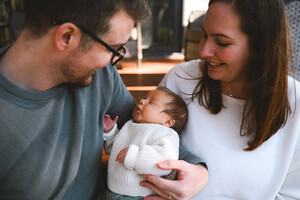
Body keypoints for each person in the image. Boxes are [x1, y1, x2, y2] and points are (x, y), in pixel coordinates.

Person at [0, 0, 208, 199]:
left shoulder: (100, 75)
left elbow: (147, 128)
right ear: (66, 37)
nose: (113, 62)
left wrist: (197, 172)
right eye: (113, 49)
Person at [157, 0, 300, 199]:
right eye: (204, 35)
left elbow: (292, 194)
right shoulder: (180, 80)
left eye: (222, 42)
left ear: (261, 46)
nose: (203, 51)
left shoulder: (295, 102)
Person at [100, 87, 188, 199]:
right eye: (144, 98)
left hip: (137, 196)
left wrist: (135, 156)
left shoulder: (166, 134)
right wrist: (111, 132)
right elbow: (116, 151)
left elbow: (164, 162)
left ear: (168, 121)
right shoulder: (130, 125)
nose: (142, 101)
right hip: (110, 192)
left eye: (151, 102)